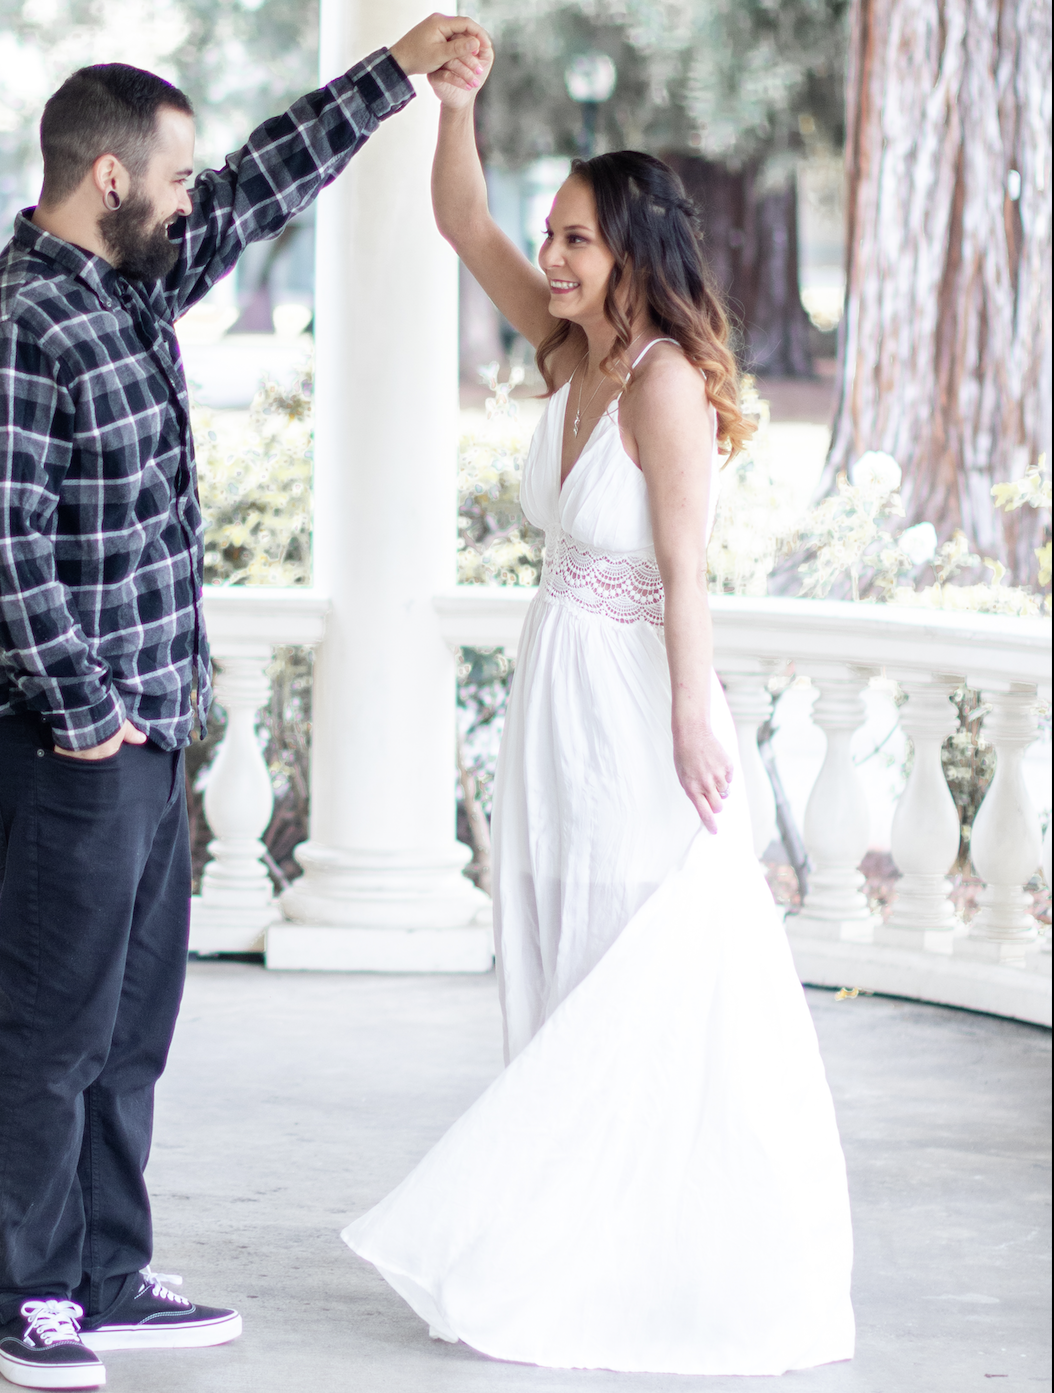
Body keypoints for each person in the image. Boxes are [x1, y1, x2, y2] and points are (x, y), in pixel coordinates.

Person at [0, 16, 490, 1390]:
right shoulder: (11, 329)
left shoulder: (128, 287)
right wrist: (87, 714)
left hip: (140, 728)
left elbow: (260, 182)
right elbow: (2, 552)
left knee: (129, 1026)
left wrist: (396, 74)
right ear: (109, 178)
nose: (194, 200)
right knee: (52, 1025)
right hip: (61, 736)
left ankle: (107, 1277)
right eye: (173, 178)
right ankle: (28, 1295)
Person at [342, 42, 856, 1378]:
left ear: (633, 249)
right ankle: (562, 1240)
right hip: (555, 693)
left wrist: (694, 716)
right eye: (555, 234)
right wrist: (456, 106)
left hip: (636, 704)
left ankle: (644, 1252)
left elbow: (686, 569)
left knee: (637, 961)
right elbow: (463, 219)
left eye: (576, 237)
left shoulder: (666, 379)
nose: (553, 255)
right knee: (557, 947)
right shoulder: (570, 352)